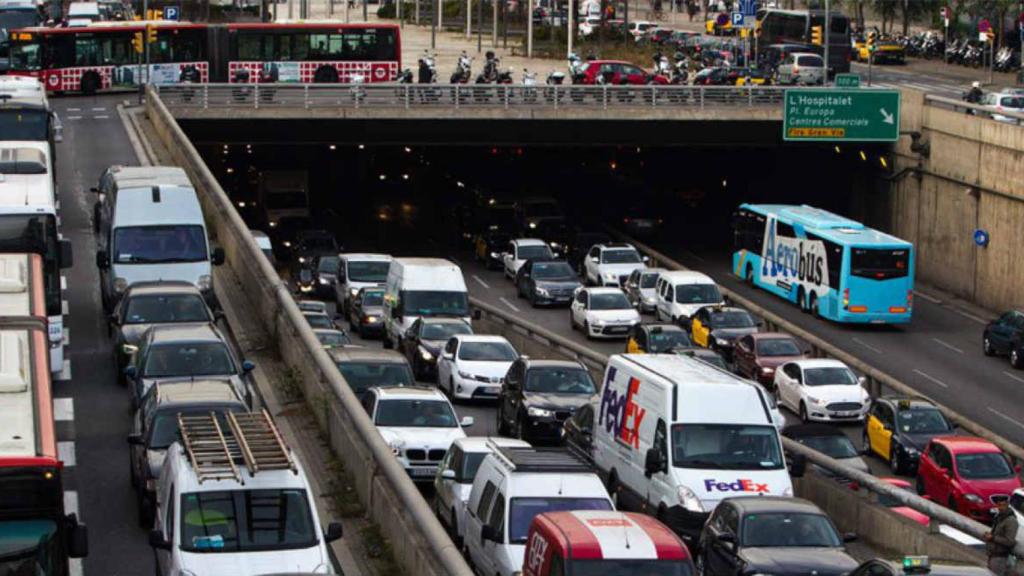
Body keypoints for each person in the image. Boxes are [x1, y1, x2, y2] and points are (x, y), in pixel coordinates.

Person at [985, 494, 1018, 575]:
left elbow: (1010, 541)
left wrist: (993, 538)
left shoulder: (1011, 521)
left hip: (1000, 557)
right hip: (993, 555)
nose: (1000, 508)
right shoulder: (999, 517)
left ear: (1007, 504)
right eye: (998, 505)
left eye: (1003, 505)